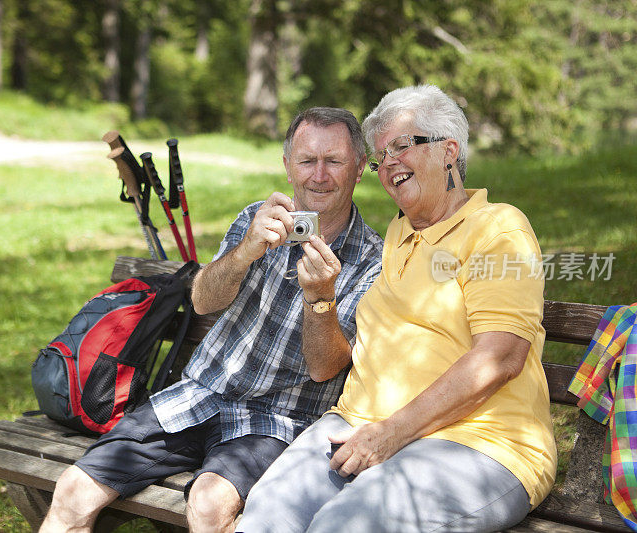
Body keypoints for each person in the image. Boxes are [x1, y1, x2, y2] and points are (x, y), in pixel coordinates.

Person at [39, 107, 384, 533]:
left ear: (360, 168)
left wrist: (319, 297)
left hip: (275, 418)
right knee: (72, 490)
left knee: (207, 506)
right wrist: (246, 250)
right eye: (306, 161)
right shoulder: (257, 218)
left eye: (334, 161)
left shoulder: (373, 259)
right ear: (287, 166)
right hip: (200, 392)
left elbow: (324, 367)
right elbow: (202, 301)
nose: (319, 175)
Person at [237, 85, 557, 533]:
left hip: (479, 443)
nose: (388, 164)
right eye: (380, 155)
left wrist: (391, 433)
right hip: (355, 426)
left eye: (402, 147)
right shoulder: (397, 233)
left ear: (449, 152)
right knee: (265, 516)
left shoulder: (497, 228)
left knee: (344, 526)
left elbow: (499, 357)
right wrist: (319, 296)